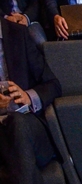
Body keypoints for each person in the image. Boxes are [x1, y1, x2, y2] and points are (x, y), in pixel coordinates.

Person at [0, 18, 62, 184]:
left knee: (17, 123)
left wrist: (28, 96)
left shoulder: (18, 34)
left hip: (28, 126)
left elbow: (53, 85)